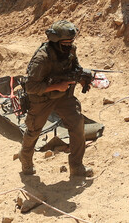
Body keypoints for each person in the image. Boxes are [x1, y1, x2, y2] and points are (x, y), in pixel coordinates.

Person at [19, 20, 94, 178]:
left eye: (71, 42)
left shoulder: (71, 50)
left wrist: (81, 78)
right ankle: (25, 159)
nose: (69, 46)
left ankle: (76, 166)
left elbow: (75, 68)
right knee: (33, 130)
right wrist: (55, 87)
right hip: (41, 97)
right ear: (55, 42)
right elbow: (30, 87)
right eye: (65, 43)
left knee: (77, 123)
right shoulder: (42, 58)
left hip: (62, 96)